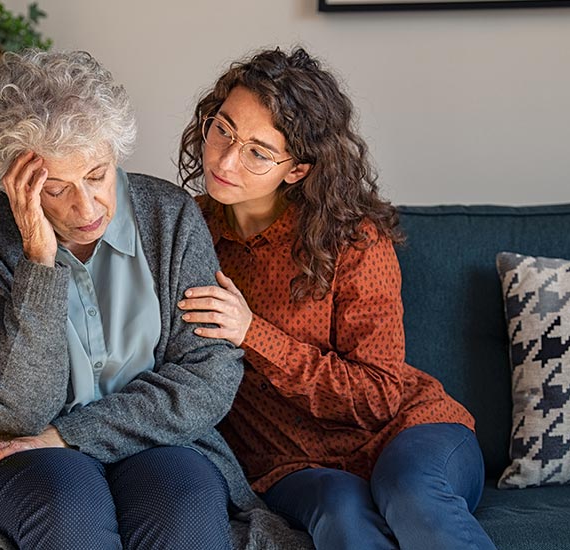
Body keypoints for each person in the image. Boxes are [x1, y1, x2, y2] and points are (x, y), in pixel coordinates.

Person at [0, 49, 264, 550]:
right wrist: (38, 262)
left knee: (183, 512)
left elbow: (208, 378)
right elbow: (17, 415)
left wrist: (72, 435)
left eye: (97, 175)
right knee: (68, 509)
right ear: (14, 183)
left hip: (156, 437)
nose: (86, 206)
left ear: (115, 151)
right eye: (55, 189)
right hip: (14, 450)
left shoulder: (171, 218)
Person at [177, 47, 497, 550]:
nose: (225, 158)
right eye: (223, 129)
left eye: (258, 151)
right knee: (341, 513)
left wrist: (251, 333)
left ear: (297, 169)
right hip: (289, 464)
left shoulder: (353, 241)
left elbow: (380, 396)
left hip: (410, 433)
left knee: (410, 493)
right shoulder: (184, 232)